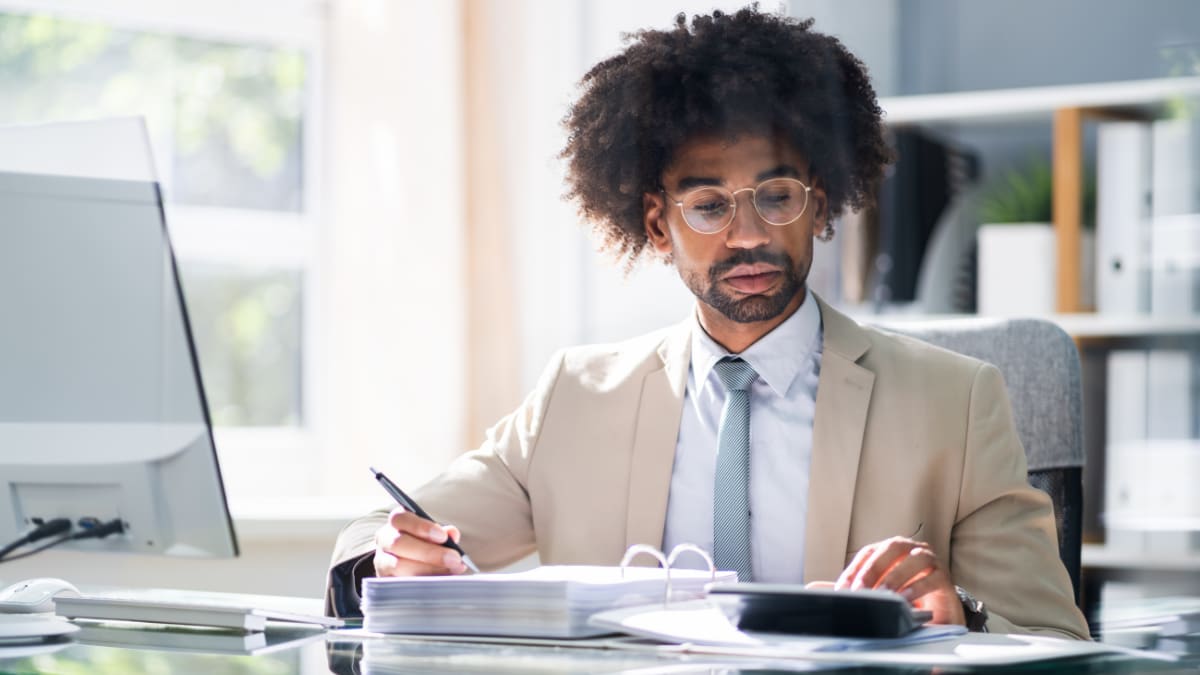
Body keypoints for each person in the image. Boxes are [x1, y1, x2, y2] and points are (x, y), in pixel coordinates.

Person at [326, 7, 1089, 639]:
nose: (747, 234)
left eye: (777, 196)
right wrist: (391, 558)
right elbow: (378, 531)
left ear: (820, 204)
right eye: (709, 206)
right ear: (657, 224)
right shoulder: (575, 399)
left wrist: (963, 614)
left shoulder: (956, 403)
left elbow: (1057, 637)